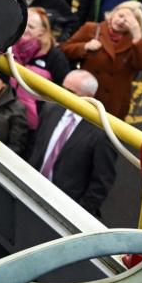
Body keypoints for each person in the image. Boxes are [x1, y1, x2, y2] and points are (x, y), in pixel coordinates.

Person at [28, 70, 117, 217]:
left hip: (65, 208)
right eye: (62, 88)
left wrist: (80, 212)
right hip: (32, 189)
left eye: (70, 91)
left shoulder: (102, 134)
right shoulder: (50, 109)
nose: (62, 94)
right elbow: (34, 145)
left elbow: (102, 181)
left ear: (88, 97)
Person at [61, 1, 142, 121]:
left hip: (114, 103)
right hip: (86, 95)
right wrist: (85, 46)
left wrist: (137, 37)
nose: (121, 21)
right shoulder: (92, 28)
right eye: (120, 16)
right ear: (113, 13)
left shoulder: (136, 43)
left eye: (128, 21)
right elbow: (65, 49)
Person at [24, 6, 71, 86]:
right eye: (24, 24)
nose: (25, 30)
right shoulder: (10, 45)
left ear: (42, 32)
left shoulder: (56, 58)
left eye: (31, 27)